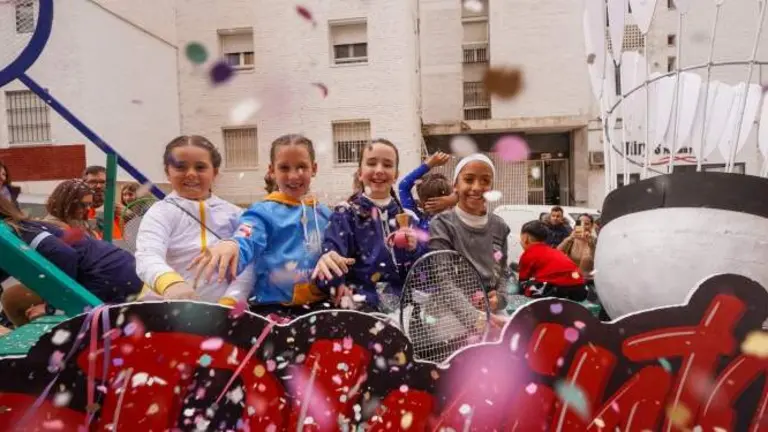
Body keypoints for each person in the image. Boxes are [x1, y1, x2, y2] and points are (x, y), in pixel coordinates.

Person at [190, 135, 331, 316]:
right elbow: (247, 235)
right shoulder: (262, 212)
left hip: (321, 306)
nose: (294, 175)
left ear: (314, 168)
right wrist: (233, 244)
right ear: (272, 171)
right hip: (274, 310)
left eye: (302, 167)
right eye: (284, 167)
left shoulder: (325, 213)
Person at [134, 135, 252, 303]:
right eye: (181, 167)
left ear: (215, 172)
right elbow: (147, 255)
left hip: (223, 316)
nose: (190, 174)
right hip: (168, 311)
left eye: (200, 167)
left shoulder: (236, 214)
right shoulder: (160, 212)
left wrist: (232, 299)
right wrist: (169, 283)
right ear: (168, 172)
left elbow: (249, 263)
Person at [313, 139, 425, 312]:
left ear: (396, 174)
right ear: (360, 173)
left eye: (387, 165)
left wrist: (414, 250)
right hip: (360, 312)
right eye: (371, 163)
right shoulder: (345, 214)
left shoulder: (410, 219)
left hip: (406, 312)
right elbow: (327, 282)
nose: (379, 170)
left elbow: (423, 276)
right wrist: (329, 268)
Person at [0, 196, 142, 327]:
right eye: (83, 204)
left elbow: (63, 254)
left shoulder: (15, 230)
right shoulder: (20, 227)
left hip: (108, 276)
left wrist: (53, 307)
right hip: (118, 270)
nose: (86, 209)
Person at [428, 154, 511, 314]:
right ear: (455, 185)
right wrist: (474, 317)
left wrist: (500, 299)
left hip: (491, 312)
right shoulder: (442, 224)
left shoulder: (499, 226)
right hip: (450, 316)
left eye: (485, 181)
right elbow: (442, 278)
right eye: (469, 179)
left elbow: (503, 270)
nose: (477, 187)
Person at [518, 220, 587, 301]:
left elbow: (522, 281)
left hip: (556, 290)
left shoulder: (528, 254)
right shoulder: (554, 251)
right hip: (580, 289)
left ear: (525, 238)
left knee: (525, 286)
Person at [398, 151, 457, 231]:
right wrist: (453, 200)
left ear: (422, 202)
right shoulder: (458, 223)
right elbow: (476, 198)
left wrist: (429, 164)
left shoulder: (417, 221)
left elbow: (403, 186)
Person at [82, 165, 123, 239]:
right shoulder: (78, 208)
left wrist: (125, 216)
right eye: (93, 182)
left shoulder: (115, 207)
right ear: (84, 183)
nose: (98, 186)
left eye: (103, 182)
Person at [557, 214, 597, 279]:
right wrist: (569, 238)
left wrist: (591, 245)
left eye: (586, 224)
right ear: (576, 225)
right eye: (580, 223)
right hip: (571, 276)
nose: (583, 226)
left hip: (589, 278)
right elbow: (557, 253)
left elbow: (597, 261)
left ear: (591, 226)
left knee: (587, 259)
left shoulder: (595, 240)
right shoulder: (571, 239)